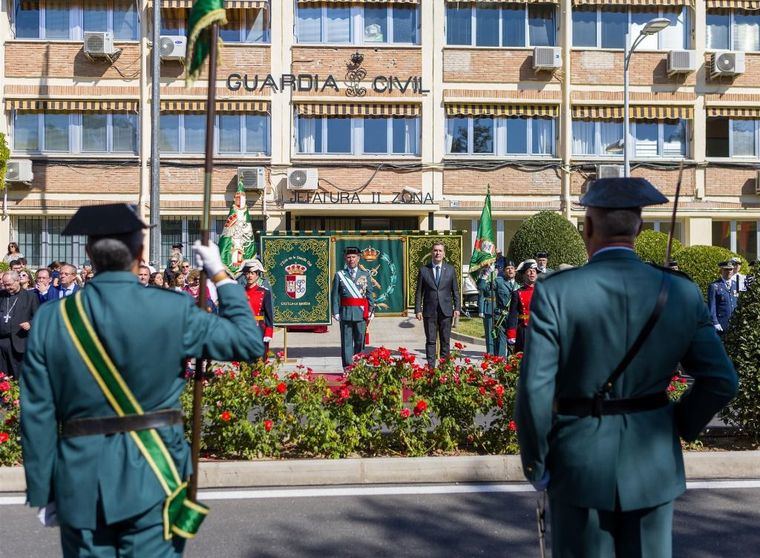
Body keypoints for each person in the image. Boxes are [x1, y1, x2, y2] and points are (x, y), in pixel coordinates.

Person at [20, 203, 263, 557]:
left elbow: (37, 412)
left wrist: (43, 489)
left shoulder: (52, 318)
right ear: (140, 253)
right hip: (155, 473)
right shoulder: (172, 308)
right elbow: (248, 343)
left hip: (80, 480)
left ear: (89, 254)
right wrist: (220, 274)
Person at [516, 177, 737, 557]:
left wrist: (537, 464)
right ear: (638, 228)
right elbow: (721, 381)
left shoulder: (557, 291)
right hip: (651, 465)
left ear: (586, 227)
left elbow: (535, 391)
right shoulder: (681, 291)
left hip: (577, 463)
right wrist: (676, 424)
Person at [414, 242, 460, 367]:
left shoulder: (450, 270)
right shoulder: (424, 270)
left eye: (440, 251)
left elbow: (455, 290)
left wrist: (457, 307)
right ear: (431, 253)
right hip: (429, 311)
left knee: (445, 340)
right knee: (430, 340)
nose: (437, 253)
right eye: (435, 250)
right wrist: (418, 309)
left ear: (444, 254)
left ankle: (444, 367)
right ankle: (431, 367)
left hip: (446, 311)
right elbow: (419, 292)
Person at [331, 246, 375, 369]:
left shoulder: (365, 275)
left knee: (360, 341)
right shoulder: (340, 275)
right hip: (345, 312)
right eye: (349, 257)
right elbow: (334, 295)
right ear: (345, 259)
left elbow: (369, 294)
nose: (351, 260)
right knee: (346, 342)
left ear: (358, 258)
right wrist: (335, 311)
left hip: (361, 313)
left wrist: (371, 310)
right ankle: (348, 367)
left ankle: (359, 366)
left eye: (354, 257)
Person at [0, 271, 39, 379]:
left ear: (17, 281)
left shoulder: (30, 297)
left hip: (18, 341)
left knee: (17, 375)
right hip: (1, 341)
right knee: (2, 375)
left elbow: (38, 317)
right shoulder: (1, 295)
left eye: (9, 284)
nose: (7, 287)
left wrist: (30, 324)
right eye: (4, 284)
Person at [476, 264, 511, 356]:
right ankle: (491, 352)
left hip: (499, 308)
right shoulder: (491, 279)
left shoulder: (501, 280)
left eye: (496, 268)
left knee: (501, 335)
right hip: (489, 308)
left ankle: (500, 354)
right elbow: (481, 293)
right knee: (490, 332)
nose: (495, 270)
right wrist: (481, 310)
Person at [242, 259, 274, 358]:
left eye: (252, 273)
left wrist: (268, 332)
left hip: (259, 329)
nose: (249, 276)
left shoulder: (265, 292)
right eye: (247, 273)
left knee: (259, 361)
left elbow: (269, 315)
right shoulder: (239, 292)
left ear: (257, 275)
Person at [506, 260, 538, 352]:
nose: (532, 273)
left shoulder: (543, 291)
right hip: (524, 330)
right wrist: (511, 334)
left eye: (534, 271)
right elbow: (512, 315)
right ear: (524, 275)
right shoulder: (517, 293)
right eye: (529, 271)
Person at [707, 261, 738, 338]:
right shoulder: (714, 286)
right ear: (721, 271)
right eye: (726, 269)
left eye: (730, 269)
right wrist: (715, 322)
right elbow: (712, 306)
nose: (729, 272)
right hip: (721, 323)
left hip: (735, 324)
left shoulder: (735, 284)